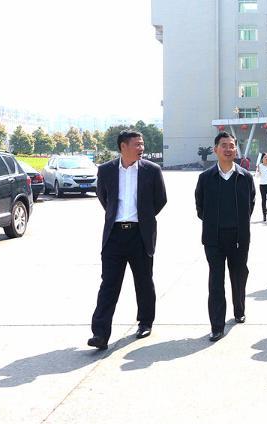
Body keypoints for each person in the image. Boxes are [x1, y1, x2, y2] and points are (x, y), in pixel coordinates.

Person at [88, 130, 167, 350]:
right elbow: (104, 197)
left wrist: (144, 217)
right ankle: (100, 333)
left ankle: (145, 322)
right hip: (114, 235)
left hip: (140, 234)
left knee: (144, 281)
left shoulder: (152, 170)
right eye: (137, 144)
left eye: (142, 144)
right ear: (123, 146)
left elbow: (160, 199)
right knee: (108, 284)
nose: (141, 148)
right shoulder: (106, 170)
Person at [195, 132, 256, 342]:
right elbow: (200, 207)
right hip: (213, 238)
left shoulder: (245, 176)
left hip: (239, 238)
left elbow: (250, 205)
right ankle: (217, 325)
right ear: (215, 150)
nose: (228, 149)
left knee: (239, 276)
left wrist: (239, 224)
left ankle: (239, 309)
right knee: (216, 281)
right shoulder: (205, 178)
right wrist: (215, 223)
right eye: (224, 145)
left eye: (231, 145)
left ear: (236, 149)